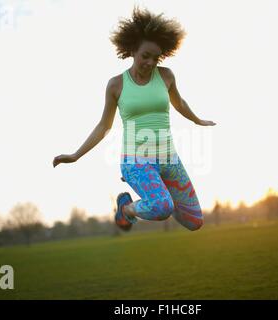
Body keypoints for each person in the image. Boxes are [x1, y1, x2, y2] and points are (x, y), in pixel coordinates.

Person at [53, 7, 216, 232]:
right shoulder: (116, 85)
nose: (150, 63)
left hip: (169, 158)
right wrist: (76, 155)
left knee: (195, 222)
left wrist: (198, 120)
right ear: (132, 51)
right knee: (162, 207)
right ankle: (127, 208)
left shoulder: (166, 76)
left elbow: (179, 103)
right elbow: (104, 126)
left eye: (155, 58)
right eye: (145, 56)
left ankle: (153, 193)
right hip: (136, 161)